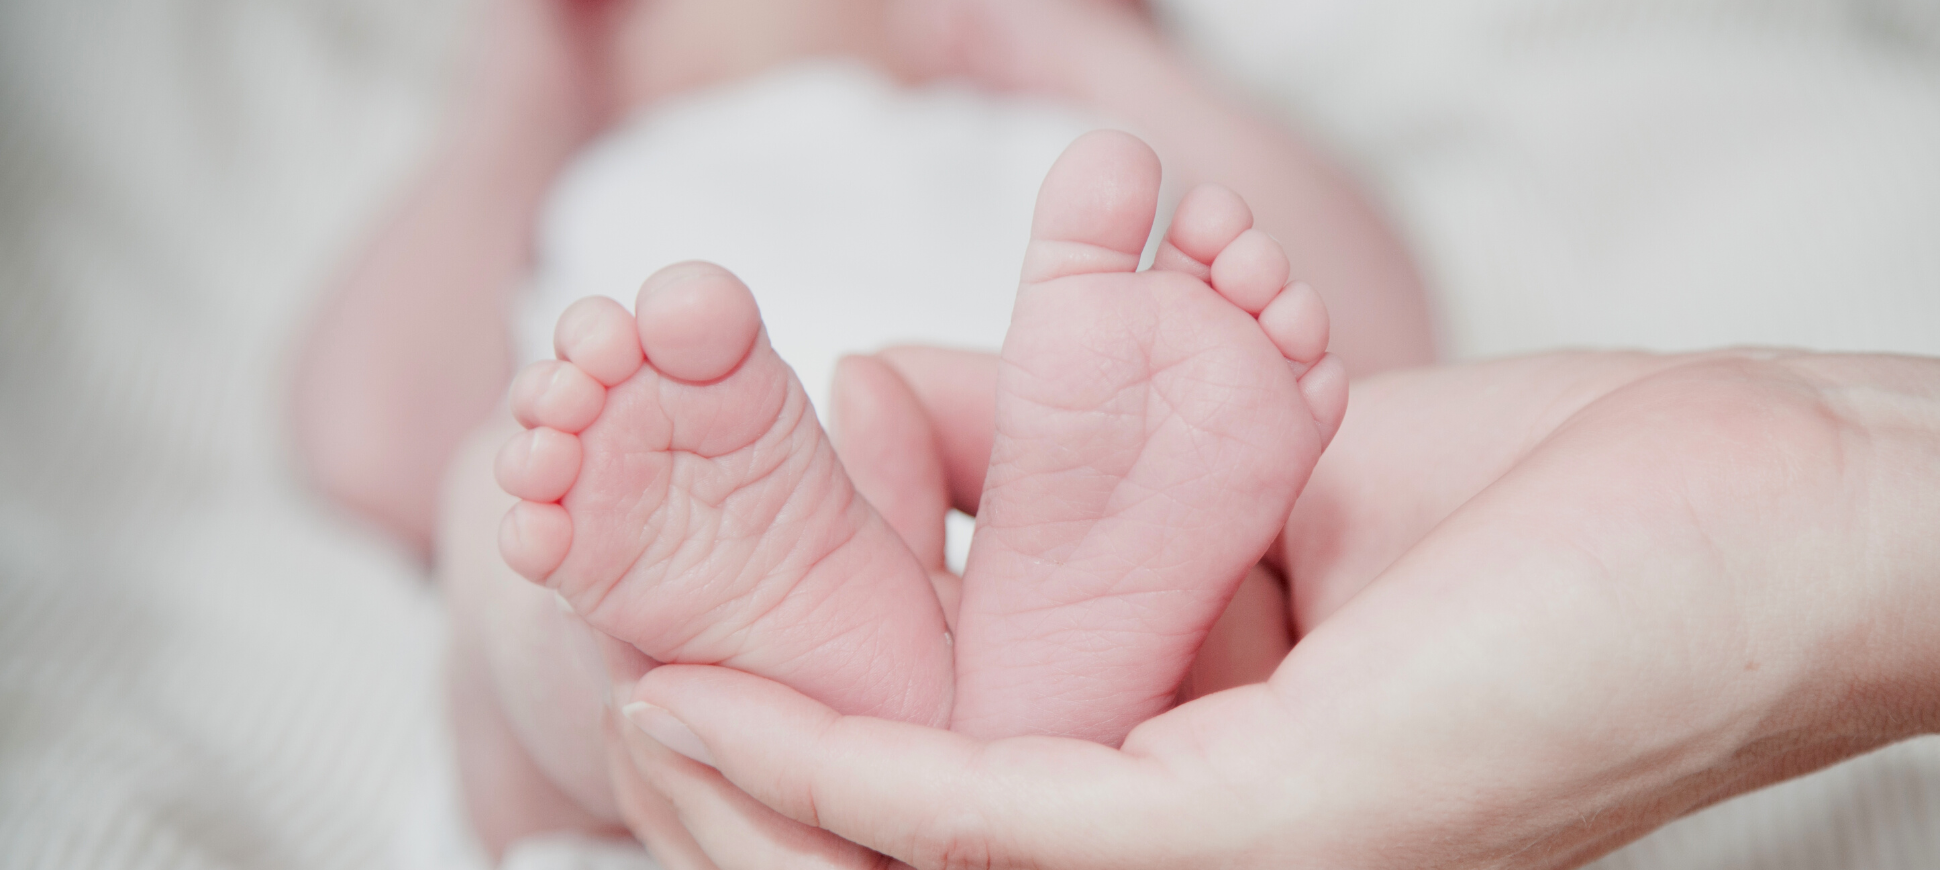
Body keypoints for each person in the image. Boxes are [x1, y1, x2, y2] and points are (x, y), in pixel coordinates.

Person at [292, 0, 1433, 857]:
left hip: (1052, 495)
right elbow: (372, 443)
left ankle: (997, 678)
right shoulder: (602, 160)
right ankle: (945, 689)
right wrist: (521, 101)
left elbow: (1375, 343)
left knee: (1245, 536)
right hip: (688, 521)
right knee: (521, 517)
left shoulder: (1062, 127)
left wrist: (1097, 54)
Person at [603, 345, 1940, 869]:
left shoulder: (1064, 71)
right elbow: (379, 425)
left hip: (1065, 413)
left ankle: (925, 685)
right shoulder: (590, 130)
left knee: (594, 656)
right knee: (577, 593)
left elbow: (1362, 281)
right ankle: (1000, 673)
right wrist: (521, 105)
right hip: (783, 446)